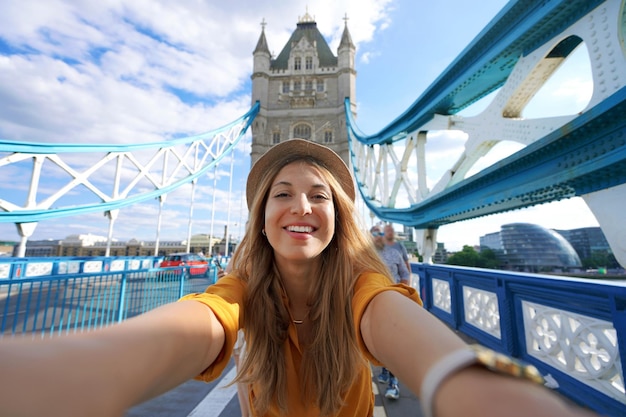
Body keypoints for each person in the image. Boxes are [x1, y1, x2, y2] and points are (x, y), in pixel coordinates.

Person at [0, 139, 598, 417]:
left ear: (339, 217)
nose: (302, 207)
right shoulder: (238, 291)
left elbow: (409, 333)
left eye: (320, 195)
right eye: (281, 194)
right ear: (260, 221)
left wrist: (471, 385)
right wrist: (82, 370)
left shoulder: (362, 289)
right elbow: (195, 325)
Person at [370, 224, 410, 400]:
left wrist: (404, 293)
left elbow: (405, 273)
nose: (377, 236)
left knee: (392, 341)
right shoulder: (363, 255)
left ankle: (394, 384)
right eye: (374, 234)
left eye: (380, 233)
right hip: (373, 303)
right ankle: (385, 370)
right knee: (379, 341)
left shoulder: (394, 253)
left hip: (393, 301)